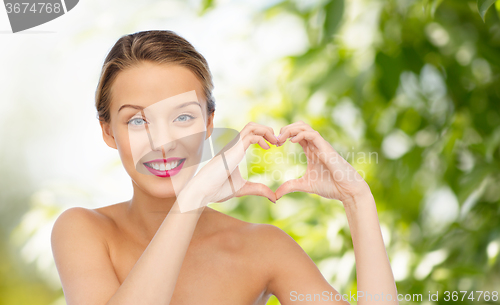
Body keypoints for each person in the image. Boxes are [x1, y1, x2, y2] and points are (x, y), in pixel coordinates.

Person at [51, 30, 398, 305]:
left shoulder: (262, 248)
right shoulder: (84, 231)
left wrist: (358, 200)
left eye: (183, 116)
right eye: (137, 121)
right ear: (108, 131)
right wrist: (191, 201)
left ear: (208, 124)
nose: (162, 142)